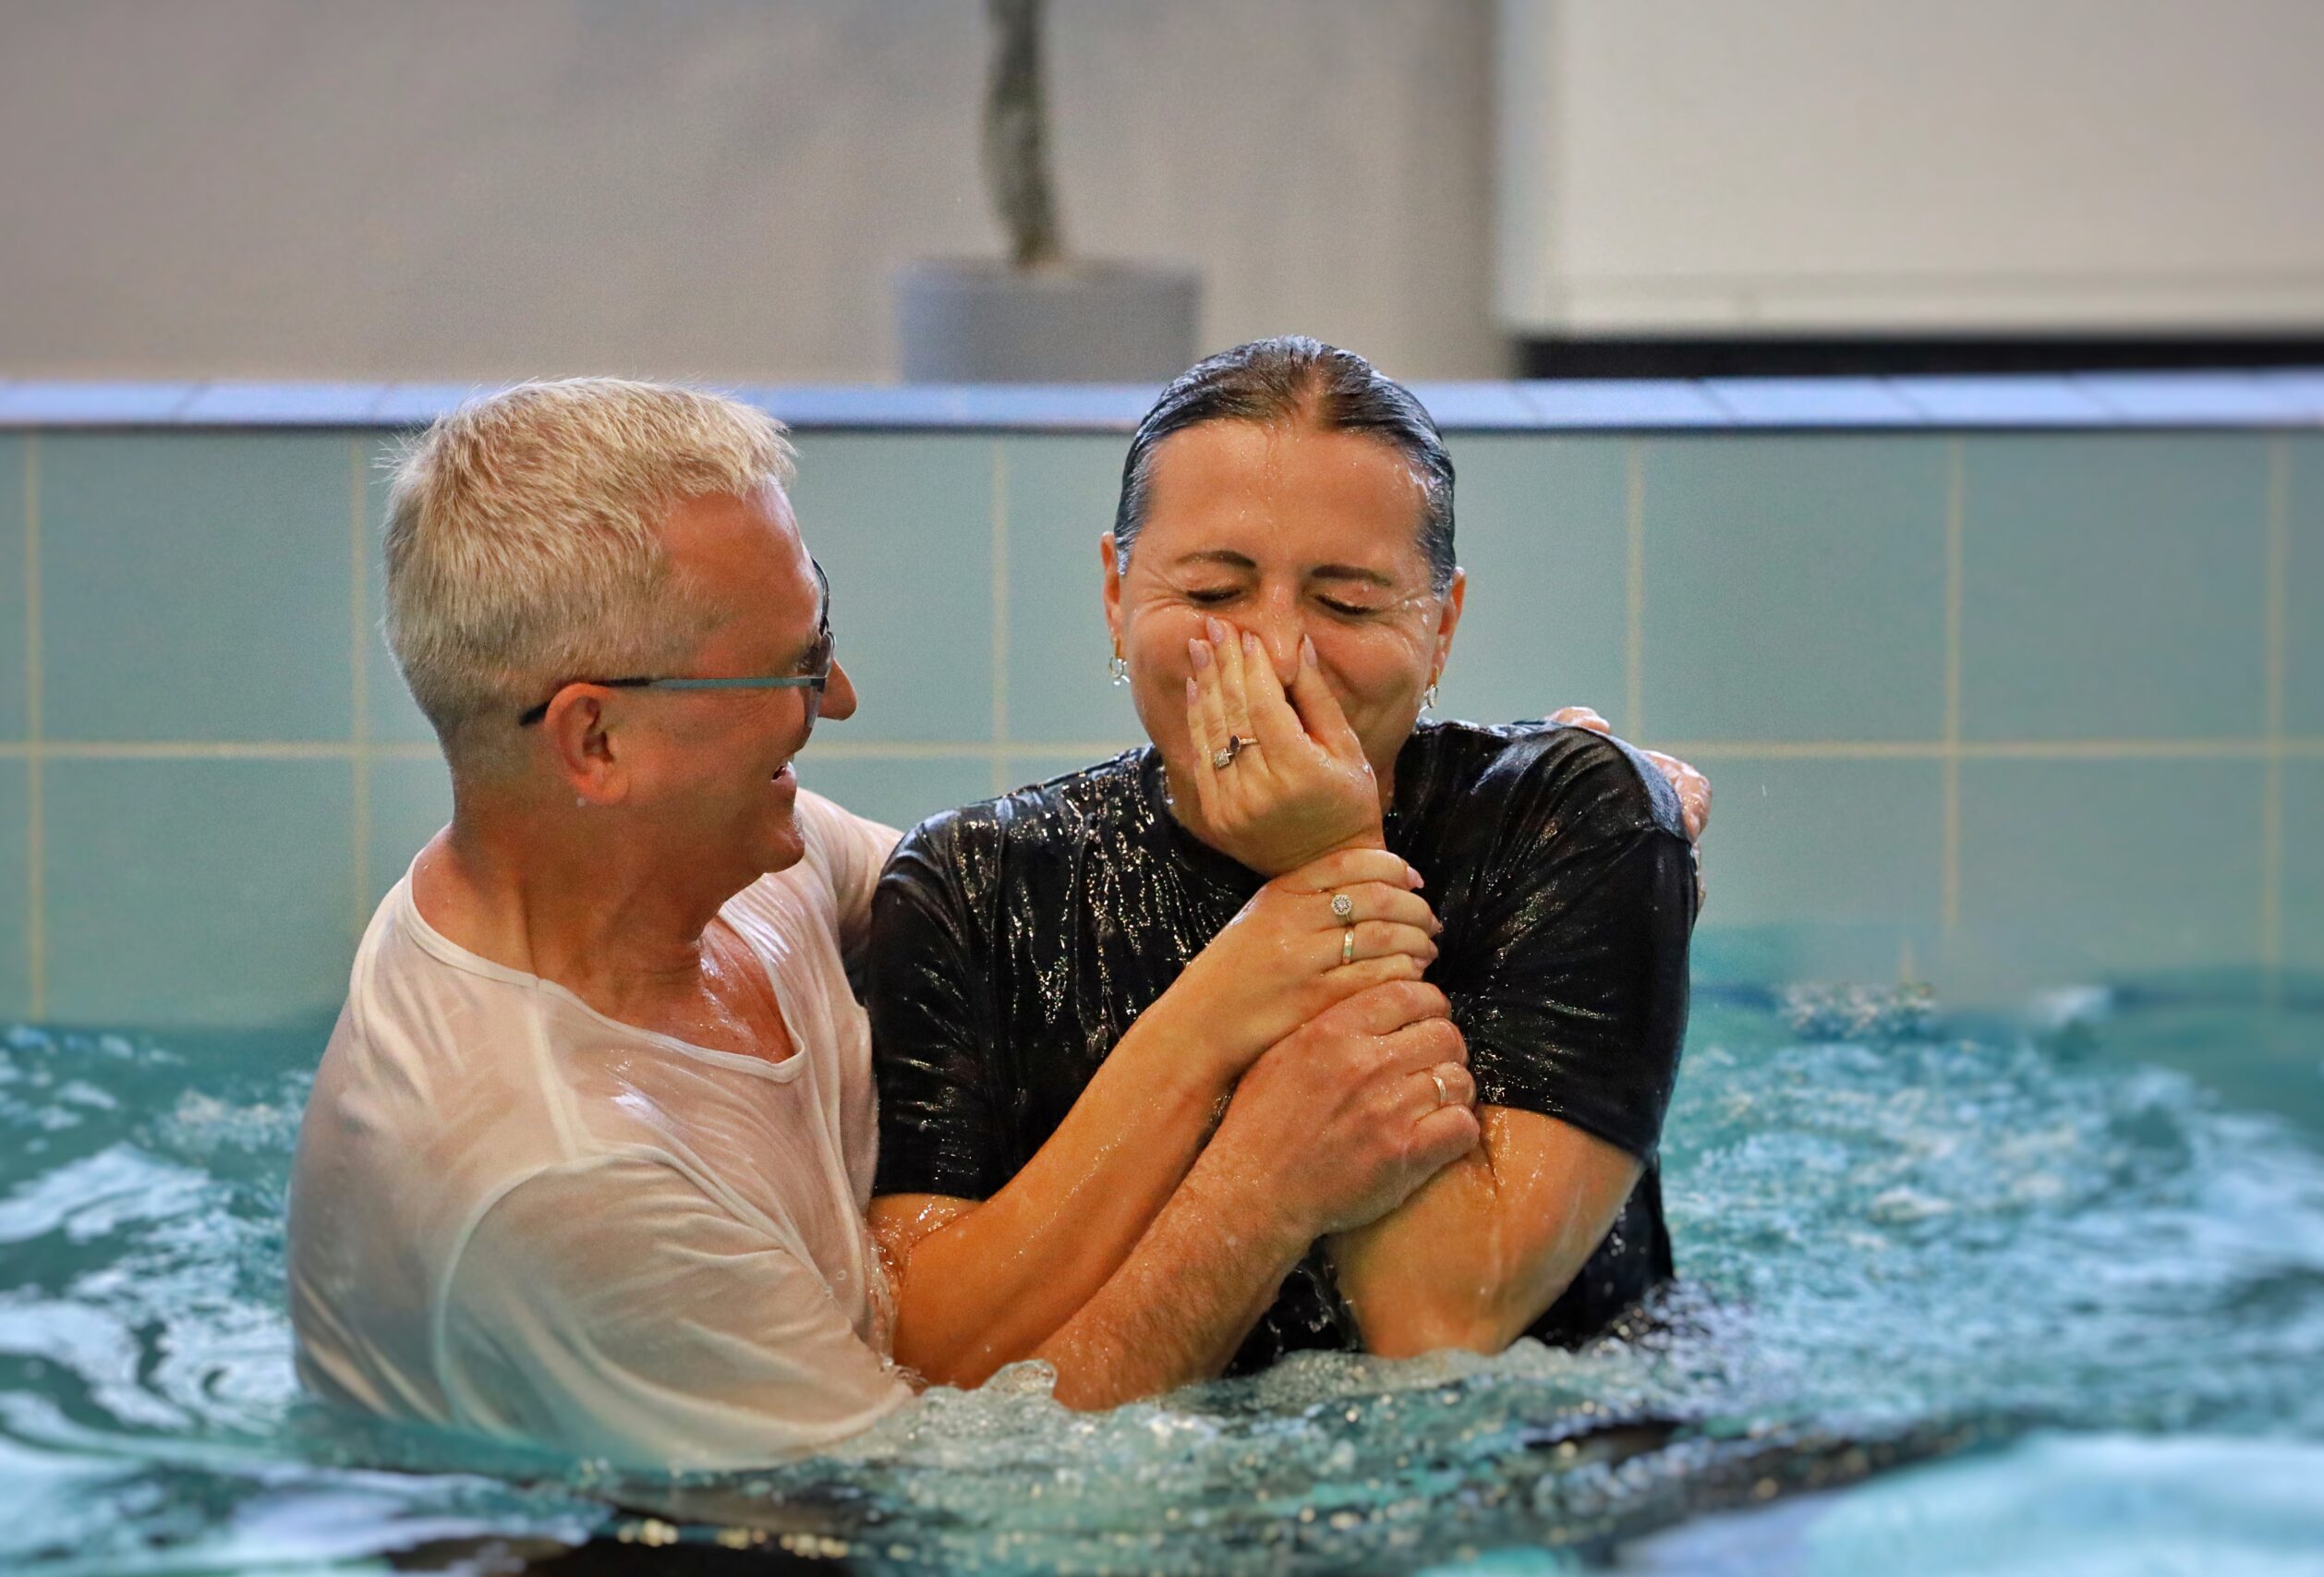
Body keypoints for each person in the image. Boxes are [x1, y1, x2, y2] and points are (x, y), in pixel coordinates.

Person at [285, 376, 1706, 1468]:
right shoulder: (562, 1174)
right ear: (594, 743)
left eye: (819, 628)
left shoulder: (720, 866)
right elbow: (939, 1507)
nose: (836, 703)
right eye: (788, 669)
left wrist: (1571, 833)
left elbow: (1058, 916)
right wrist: (1263, 1169)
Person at [868, 338, 1698, 1401]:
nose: (1274, 652)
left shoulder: (1571, 817)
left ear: (1439, 628)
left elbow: (1439, 1328)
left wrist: (1330, 859)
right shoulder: (974, 886)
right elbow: (926, 1370)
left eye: (1347, 605)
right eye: (1214, 592)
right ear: (1118, 592)